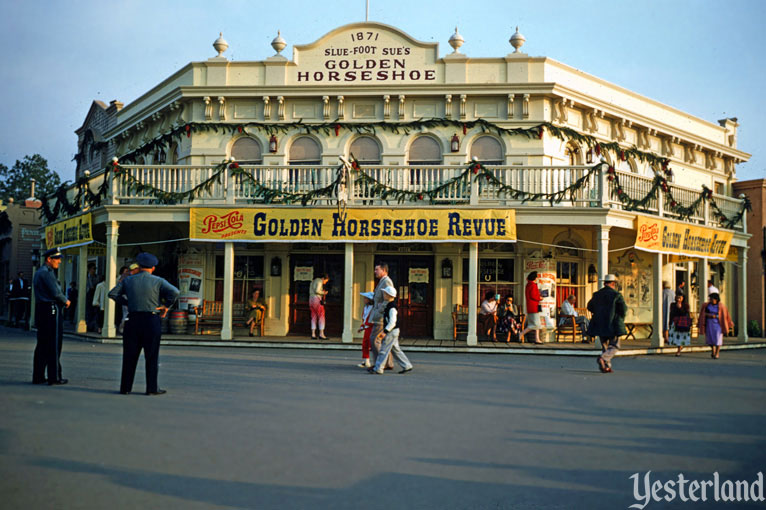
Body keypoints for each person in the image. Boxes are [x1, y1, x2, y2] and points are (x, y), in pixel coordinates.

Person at [108, 252, 179, 395]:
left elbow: (112, 294)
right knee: (151, 356)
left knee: (129, 356)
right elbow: (175, 292)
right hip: (151, 320)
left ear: (139, 267)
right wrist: (166, 306)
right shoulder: (158, 281)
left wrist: (128, 303)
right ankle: (151, 388)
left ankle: (126, 388)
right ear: (153, 268)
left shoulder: (128, 280)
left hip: (133, 320)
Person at [32, 248, 71, 385]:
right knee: (53, 343)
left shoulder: (40, 272)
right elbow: (55, 292)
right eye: (57, 258)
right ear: (49, 259)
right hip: (51, 309)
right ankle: (54, 376)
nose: (59, 261)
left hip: (42, 309)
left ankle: (38, 375)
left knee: (42, 343)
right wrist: (65, 301)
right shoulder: (47, 273)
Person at [368, 286, 413, 375]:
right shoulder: (389, 305)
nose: (384, 295)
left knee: (383, 350)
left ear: (389, 295)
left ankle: (378, 368)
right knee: (396, 350)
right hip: (394, 331)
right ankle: (407, 365)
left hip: (391, 331)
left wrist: (385, 331)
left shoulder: (391, 307)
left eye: (385, 293)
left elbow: (392, 321)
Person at [587, 274, 627, 373]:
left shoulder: (596, 294)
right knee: (615, 345)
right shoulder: (616, 295)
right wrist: (620, 318)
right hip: (613, 323)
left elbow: (590, 306)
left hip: (599, 323)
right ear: (613, 283)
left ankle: (606, 366)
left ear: (604, 283)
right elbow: (623, 309)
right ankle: (603, 358)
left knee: (605, 346)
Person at [369, 262, 395, 370]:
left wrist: (380, 311)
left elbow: (388, 298)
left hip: (380, 318)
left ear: (384, 270)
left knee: (374, 340)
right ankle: (388, 363)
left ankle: (380, 363)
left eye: (377, 269)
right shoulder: (382, 281)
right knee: (382, 342)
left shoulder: (387, 282)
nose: (375, 271)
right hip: (379, 316)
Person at [697, 292, 733, 360]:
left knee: (717, 338)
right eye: (710, 299)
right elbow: (703, 313)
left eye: (712, 299)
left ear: (716, 299)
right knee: (710, 338)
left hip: (718, 324)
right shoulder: (706, 305)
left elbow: (724, 315)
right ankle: (713, 350)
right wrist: (707, 315)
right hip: (709, 323)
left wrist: (715, 316)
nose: (710, 300)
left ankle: (717, 353)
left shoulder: (721, 306)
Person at [519, 271, 543, 344]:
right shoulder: (533, 285)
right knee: (535, 324)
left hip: (530, 307)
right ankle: (521, 333)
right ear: (534, 278)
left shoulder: (528, 284)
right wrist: (540, 298)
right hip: (534, 307)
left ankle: (537, 338)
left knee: (536, 324)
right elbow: (533, 295)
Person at [309, 273, 329, 339]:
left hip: (311, 299)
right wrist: (323, 293)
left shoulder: (313, 281)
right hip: (317, 299)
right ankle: (321, 333)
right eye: (326, 281)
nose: (325, 283)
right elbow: (317, 290)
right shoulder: (319, 281)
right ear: (323, 278)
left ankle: (313, 334)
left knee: (313, 316)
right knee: (321, 316)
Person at [357, 291, 374, 368]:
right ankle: (366, 360)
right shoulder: (365, 308)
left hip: (372, 328)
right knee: (365, 345)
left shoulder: (373, 308)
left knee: (372, 345)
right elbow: (364, 319)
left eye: (365, 298)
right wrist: (362, 327)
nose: (364, 299)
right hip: (367, 328)